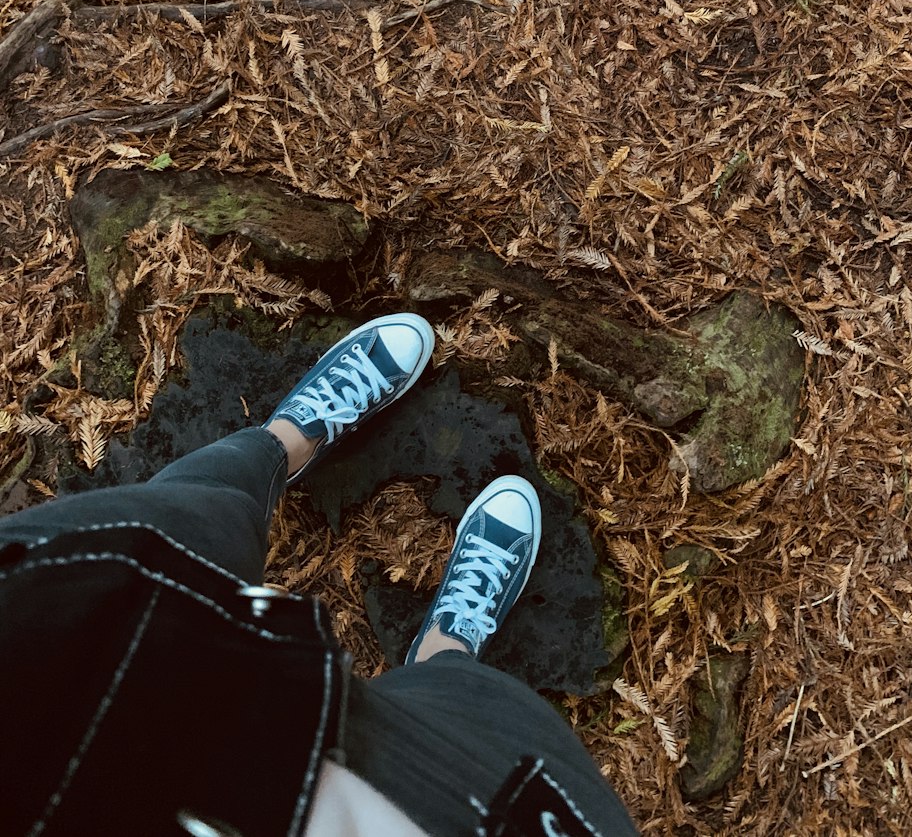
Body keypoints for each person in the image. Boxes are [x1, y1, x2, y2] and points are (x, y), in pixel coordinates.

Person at [0, 312, 639, 837]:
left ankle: (283, 442)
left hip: (44, 671)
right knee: (489, 731)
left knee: (193, 522)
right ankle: (450, 649)